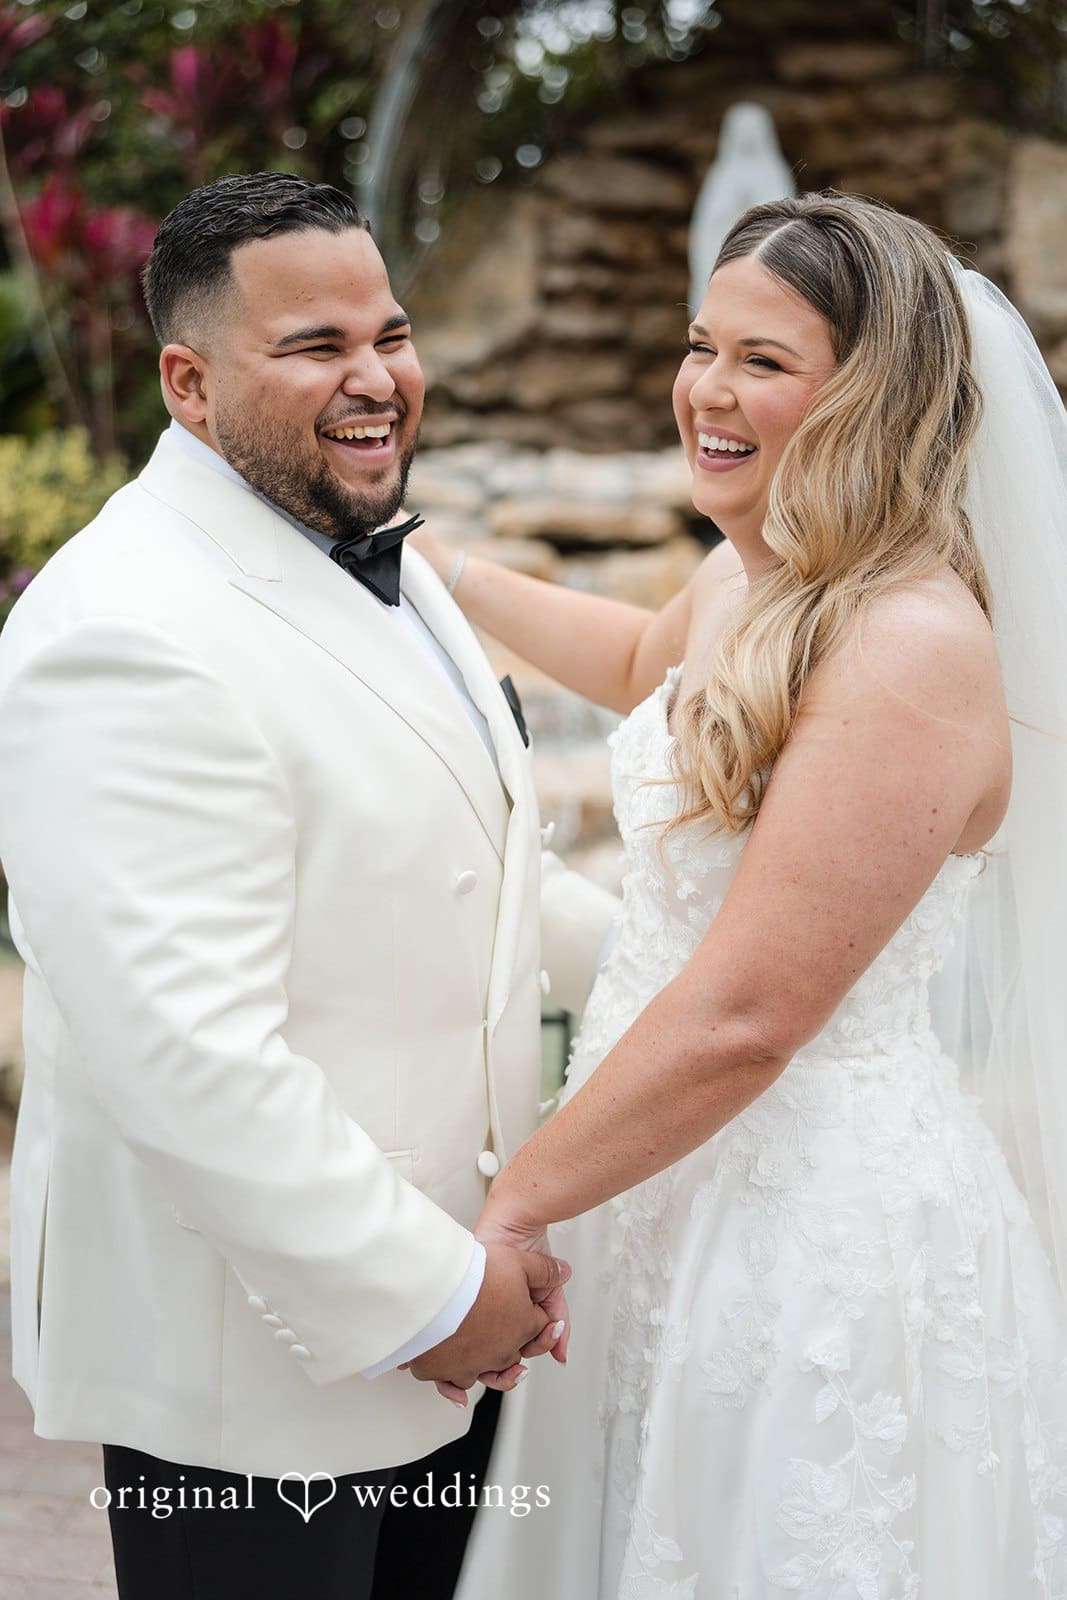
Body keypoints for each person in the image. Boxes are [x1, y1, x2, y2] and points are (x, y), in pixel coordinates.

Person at [410, 193, 1067, 1596]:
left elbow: (749, 1016)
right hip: (661, 1186)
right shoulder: (752, 571)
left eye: (763, 362)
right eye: (701, 344)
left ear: (871, 396)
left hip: (808, 1233)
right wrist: (425, 565)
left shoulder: (909, 644)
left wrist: (510, 1217)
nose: (705, 389)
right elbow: (644, 655)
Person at [0, 172, 620, 1600]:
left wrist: (713, 970)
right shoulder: (126, 635)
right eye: (316, 345)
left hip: (456, 1338)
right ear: (191, 382)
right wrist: (433, 1296)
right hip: (257, 1364)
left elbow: (479, 880)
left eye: (390, 333)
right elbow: (186, 1058)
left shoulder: (382, 552)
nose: (377, 378)